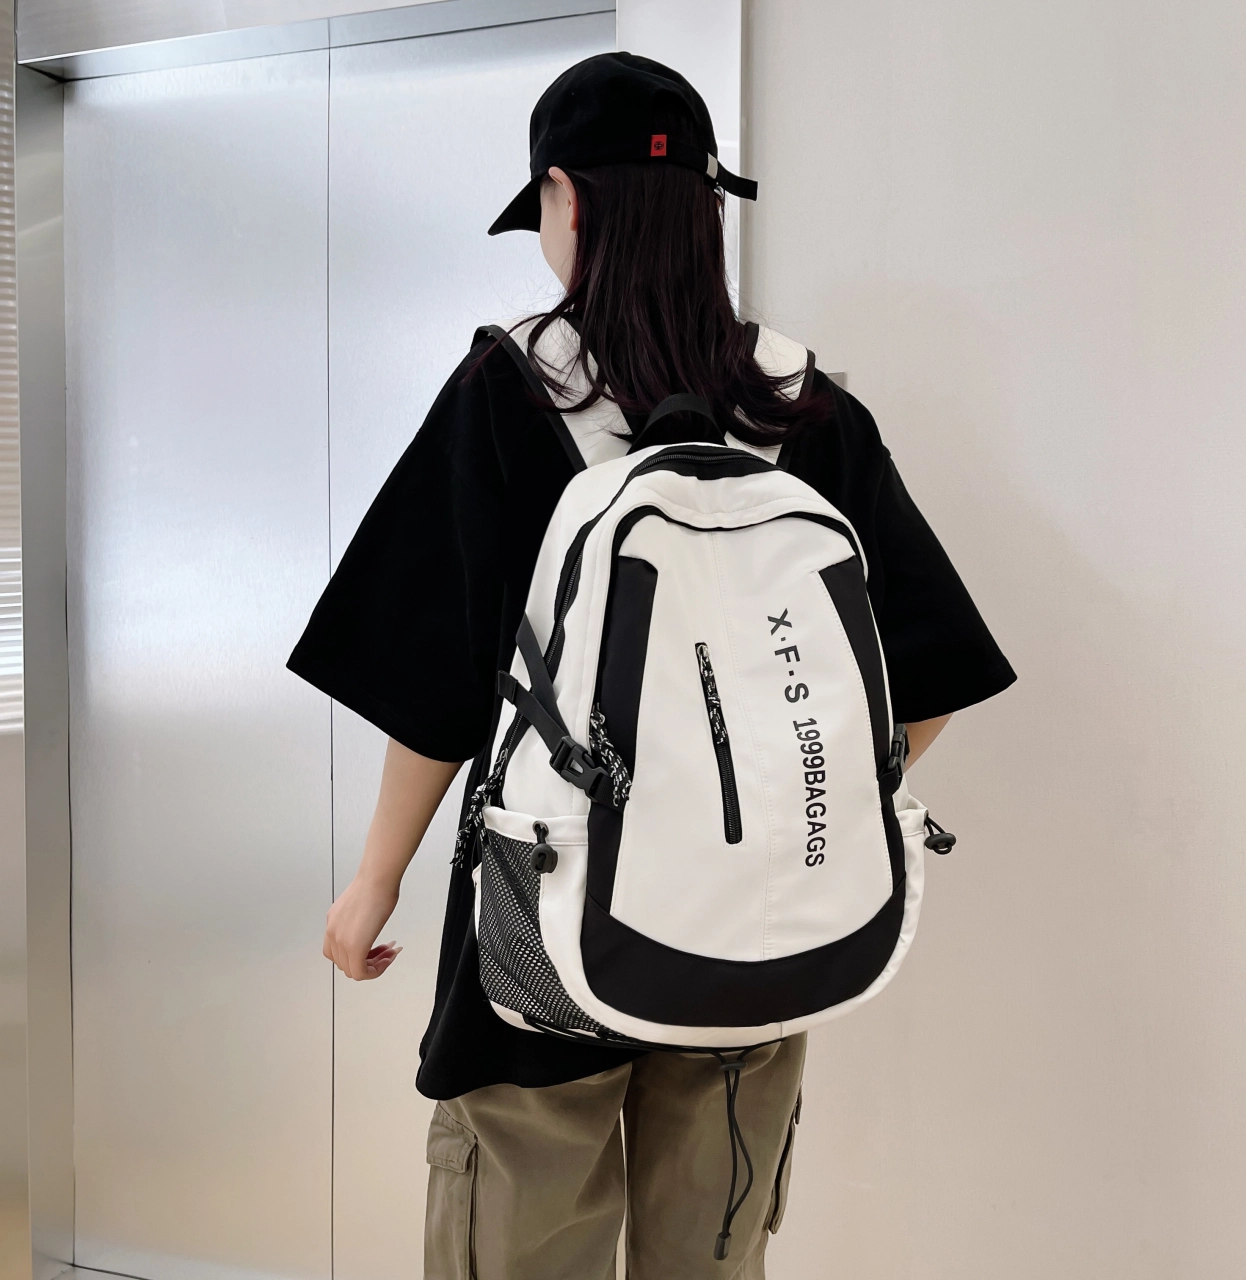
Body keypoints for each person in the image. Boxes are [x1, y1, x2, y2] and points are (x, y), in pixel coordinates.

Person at [288, 51, 1015, 1280]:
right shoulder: (800, 406)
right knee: (708, 1250)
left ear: (564, 196)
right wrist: (791, 812)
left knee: (520, 1235)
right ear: (706, 208)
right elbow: (931, 674)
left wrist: (373, 883)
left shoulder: (510, 390)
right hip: (758, 924)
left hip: (542, 910)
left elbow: (435, 689)